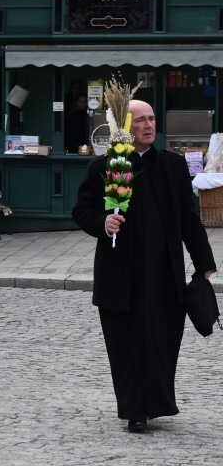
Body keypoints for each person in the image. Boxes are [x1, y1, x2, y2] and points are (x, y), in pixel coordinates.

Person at [72, 99, 215, 433]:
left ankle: (157, 403)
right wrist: (103, 222)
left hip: (165, 273)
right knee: (127, 343)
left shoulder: (173, 166)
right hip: (120, 275)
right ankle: (134, 409)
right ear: (125, 126)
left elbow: (189, 219)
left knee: (162, 340)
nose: (149, 125)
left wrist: (204, 263)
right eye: (140, 120)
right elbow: (82, 211)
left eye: (151, 119)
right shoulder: (104, 167)